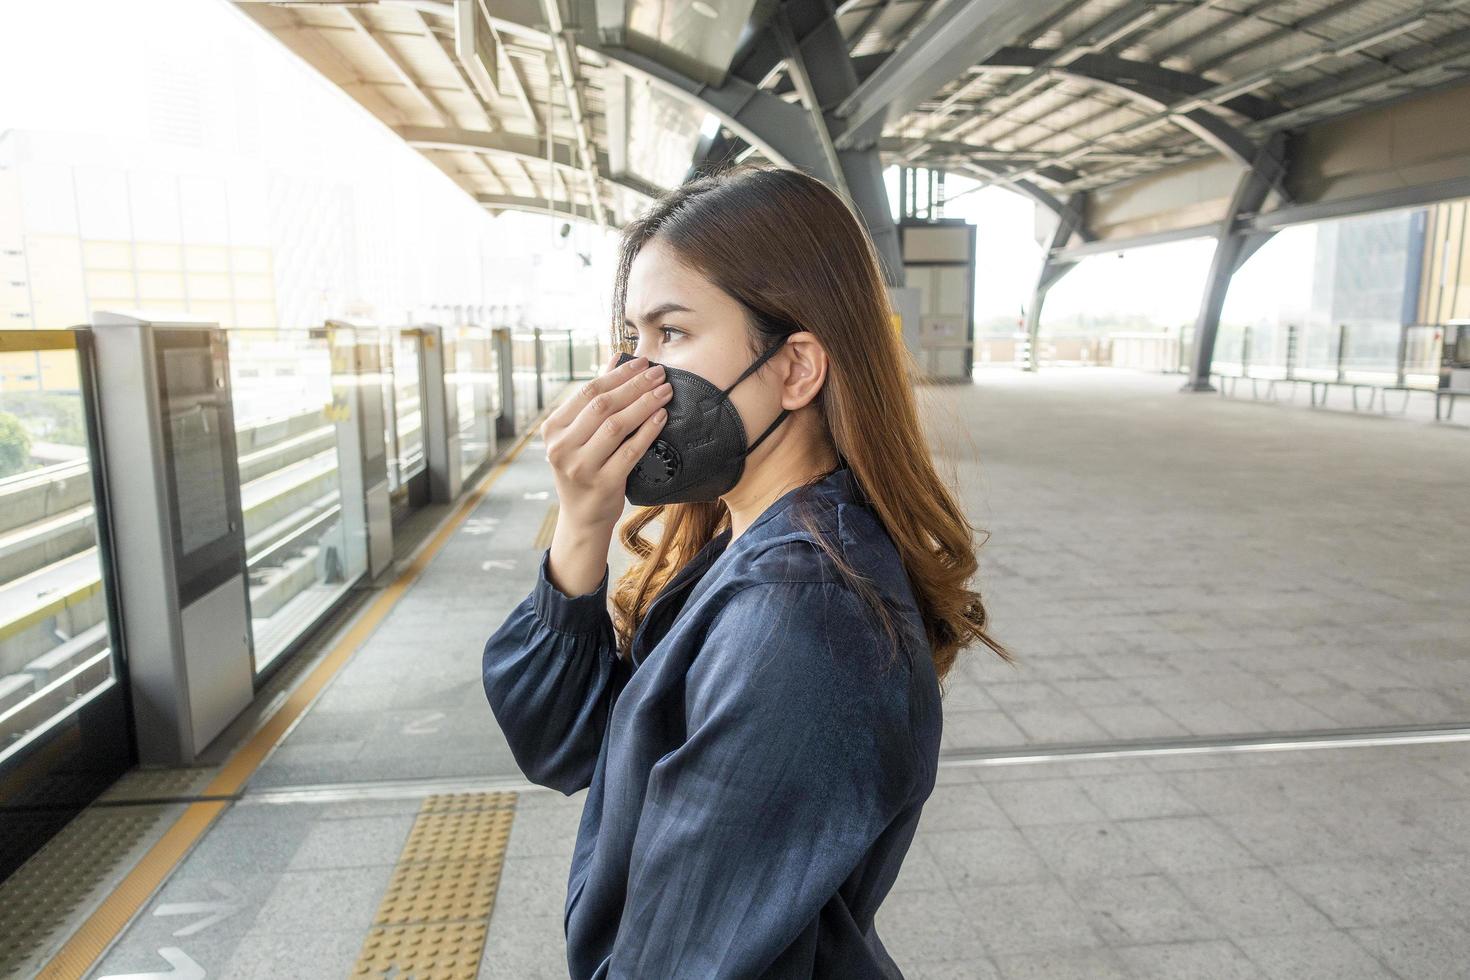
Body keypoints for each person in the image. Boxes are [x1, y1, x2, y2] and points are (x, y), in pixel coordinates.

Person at [481, 163, 1013, 979]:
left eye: (673, 334)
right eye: (633, 339)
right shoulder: (740, 539)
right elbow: (561, 744)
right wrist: (585, 520)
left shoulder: (801, 616)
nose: (634, 378)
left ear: (796, 367)